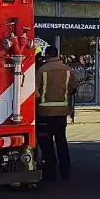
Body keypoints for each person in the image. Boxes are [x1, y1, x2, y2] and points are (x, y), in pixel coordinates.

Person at [36, 45, 77, 179]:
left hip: (44, 112)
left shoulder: (42, 70)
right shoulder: (68, 70)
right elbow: (73, 89)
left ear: (47, 55)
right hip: (61, 112)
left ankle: (50, 170)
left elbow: (36, 92)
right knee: (61, 140)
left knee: (46, 142)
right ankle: (65, 170)